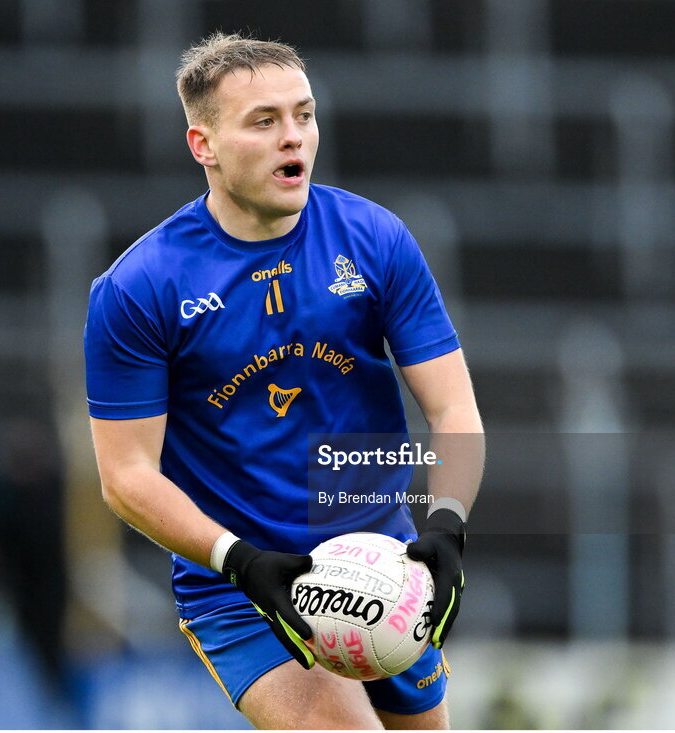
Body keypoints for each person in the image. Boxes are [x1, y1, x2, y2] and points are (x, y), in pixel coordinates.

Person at [84, 32, 483, 730]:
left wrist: (446, 528)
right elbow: (126, 476)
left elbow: (453, 407)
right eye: (263, 121)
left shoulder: (375, 238)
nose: (292, 137)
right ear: (202, 145)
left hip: (375, 566)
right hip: (240, 584)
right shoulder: (140, 287)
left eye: (304, 114)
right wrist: (237, 560)